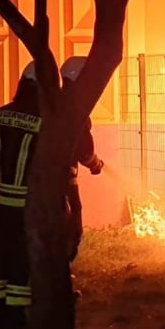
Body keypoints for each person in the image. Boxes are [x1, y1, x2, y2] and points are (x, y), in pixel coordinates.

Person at [0, 62, 42, 329]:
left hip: (5, 200)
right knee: (21, 259)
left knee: (0, 256)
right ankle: (15, 318)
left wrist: (4, 178)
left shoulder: (0, 114)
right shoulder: (45, 119)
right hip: (30, 204)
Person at [59, 55, 105, 263]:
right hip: (64, 177)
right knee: (72, 218)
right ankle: (63, 270)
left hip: (41, 176)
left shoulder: (53, 101)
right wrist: (95, 164)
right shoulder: (77, 110)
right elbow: (84, 151)